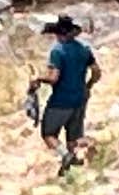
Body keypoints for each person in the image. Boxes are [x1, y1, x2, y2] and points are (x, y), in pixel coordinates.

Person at [35, 13, 98, 168]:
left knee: (48, 134)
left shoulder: (57, 51)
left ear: (58, 34)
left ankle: (66, 156)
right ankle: (78, 161)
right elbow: (97, 72)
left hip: (61, 100)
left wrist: (38, 79)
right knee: (73, 138)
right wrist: (88, 86)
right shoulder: (84, 49)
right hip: (80, 99)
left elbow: (54, 78)